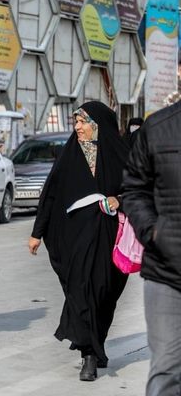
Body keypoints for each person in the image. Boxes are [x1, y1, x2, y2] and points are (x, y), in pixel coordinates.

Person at [28, 101, 130, 381]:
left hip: (110, 238)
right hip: (75, 237)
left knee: (104, 294)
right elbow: (50, 194)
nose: (78, 128)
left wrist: (118, 199)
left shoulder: (120, 156)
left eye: (83, 122)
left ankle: (98, 344)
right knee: (82, 291)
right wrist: (38, 232)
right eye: (76, 123)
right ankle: (88, 355)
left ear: (98, 125)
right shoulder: (69, 156)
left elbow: (139, 191)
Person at [121, 101, 181, 396]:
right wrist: (154, 232)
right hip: (167, 274)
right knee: (166, 372)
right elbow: (134, 188)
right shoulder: (157, 128)